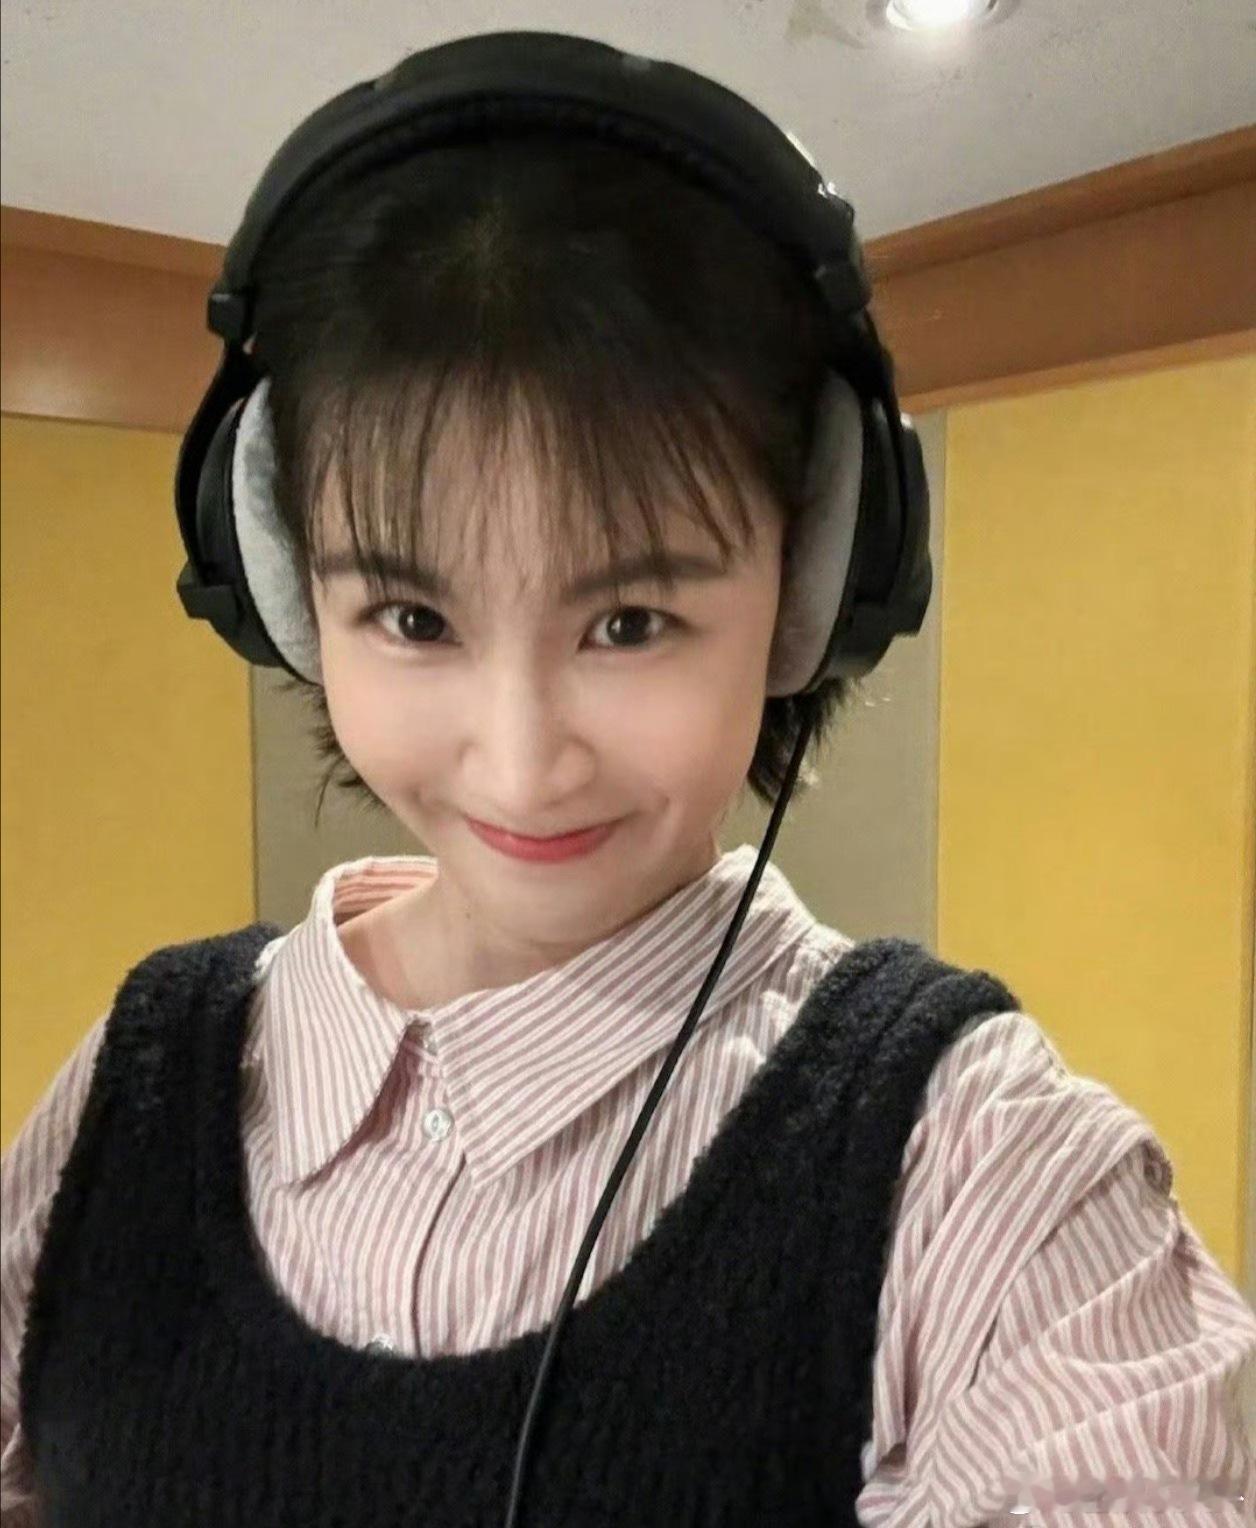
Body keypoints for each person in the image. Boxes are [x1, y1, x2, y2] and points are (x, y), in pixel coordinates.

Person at [3, 43, 1255, 1528]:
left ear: (811, 594)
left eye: (631, 622)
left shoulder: (982, 1165)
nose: (522, 760)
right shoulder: (136, 1082)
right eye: (413, 619)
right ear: (285, 596)